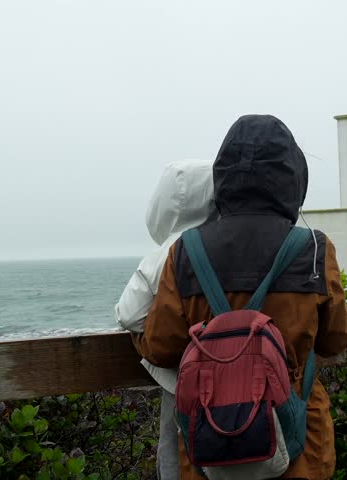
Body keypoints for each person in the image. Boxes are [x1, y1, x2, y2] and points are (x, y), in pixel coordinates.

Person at [133, 114, 347, 480]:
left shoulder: (187, 251)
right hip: (299, 447)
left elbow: (160, 348)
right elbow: (336, 339)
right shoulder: (312, 249)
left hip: (213, 450)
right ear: (293, 177)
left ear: (224, 177)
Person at [115, 160, 216, 480]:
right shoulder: (231, 239)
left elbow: (129, 314)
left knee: (179, 462)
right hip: (246, 374)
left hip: (185, 381)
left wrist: (153, 335)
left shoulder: (170, 250)